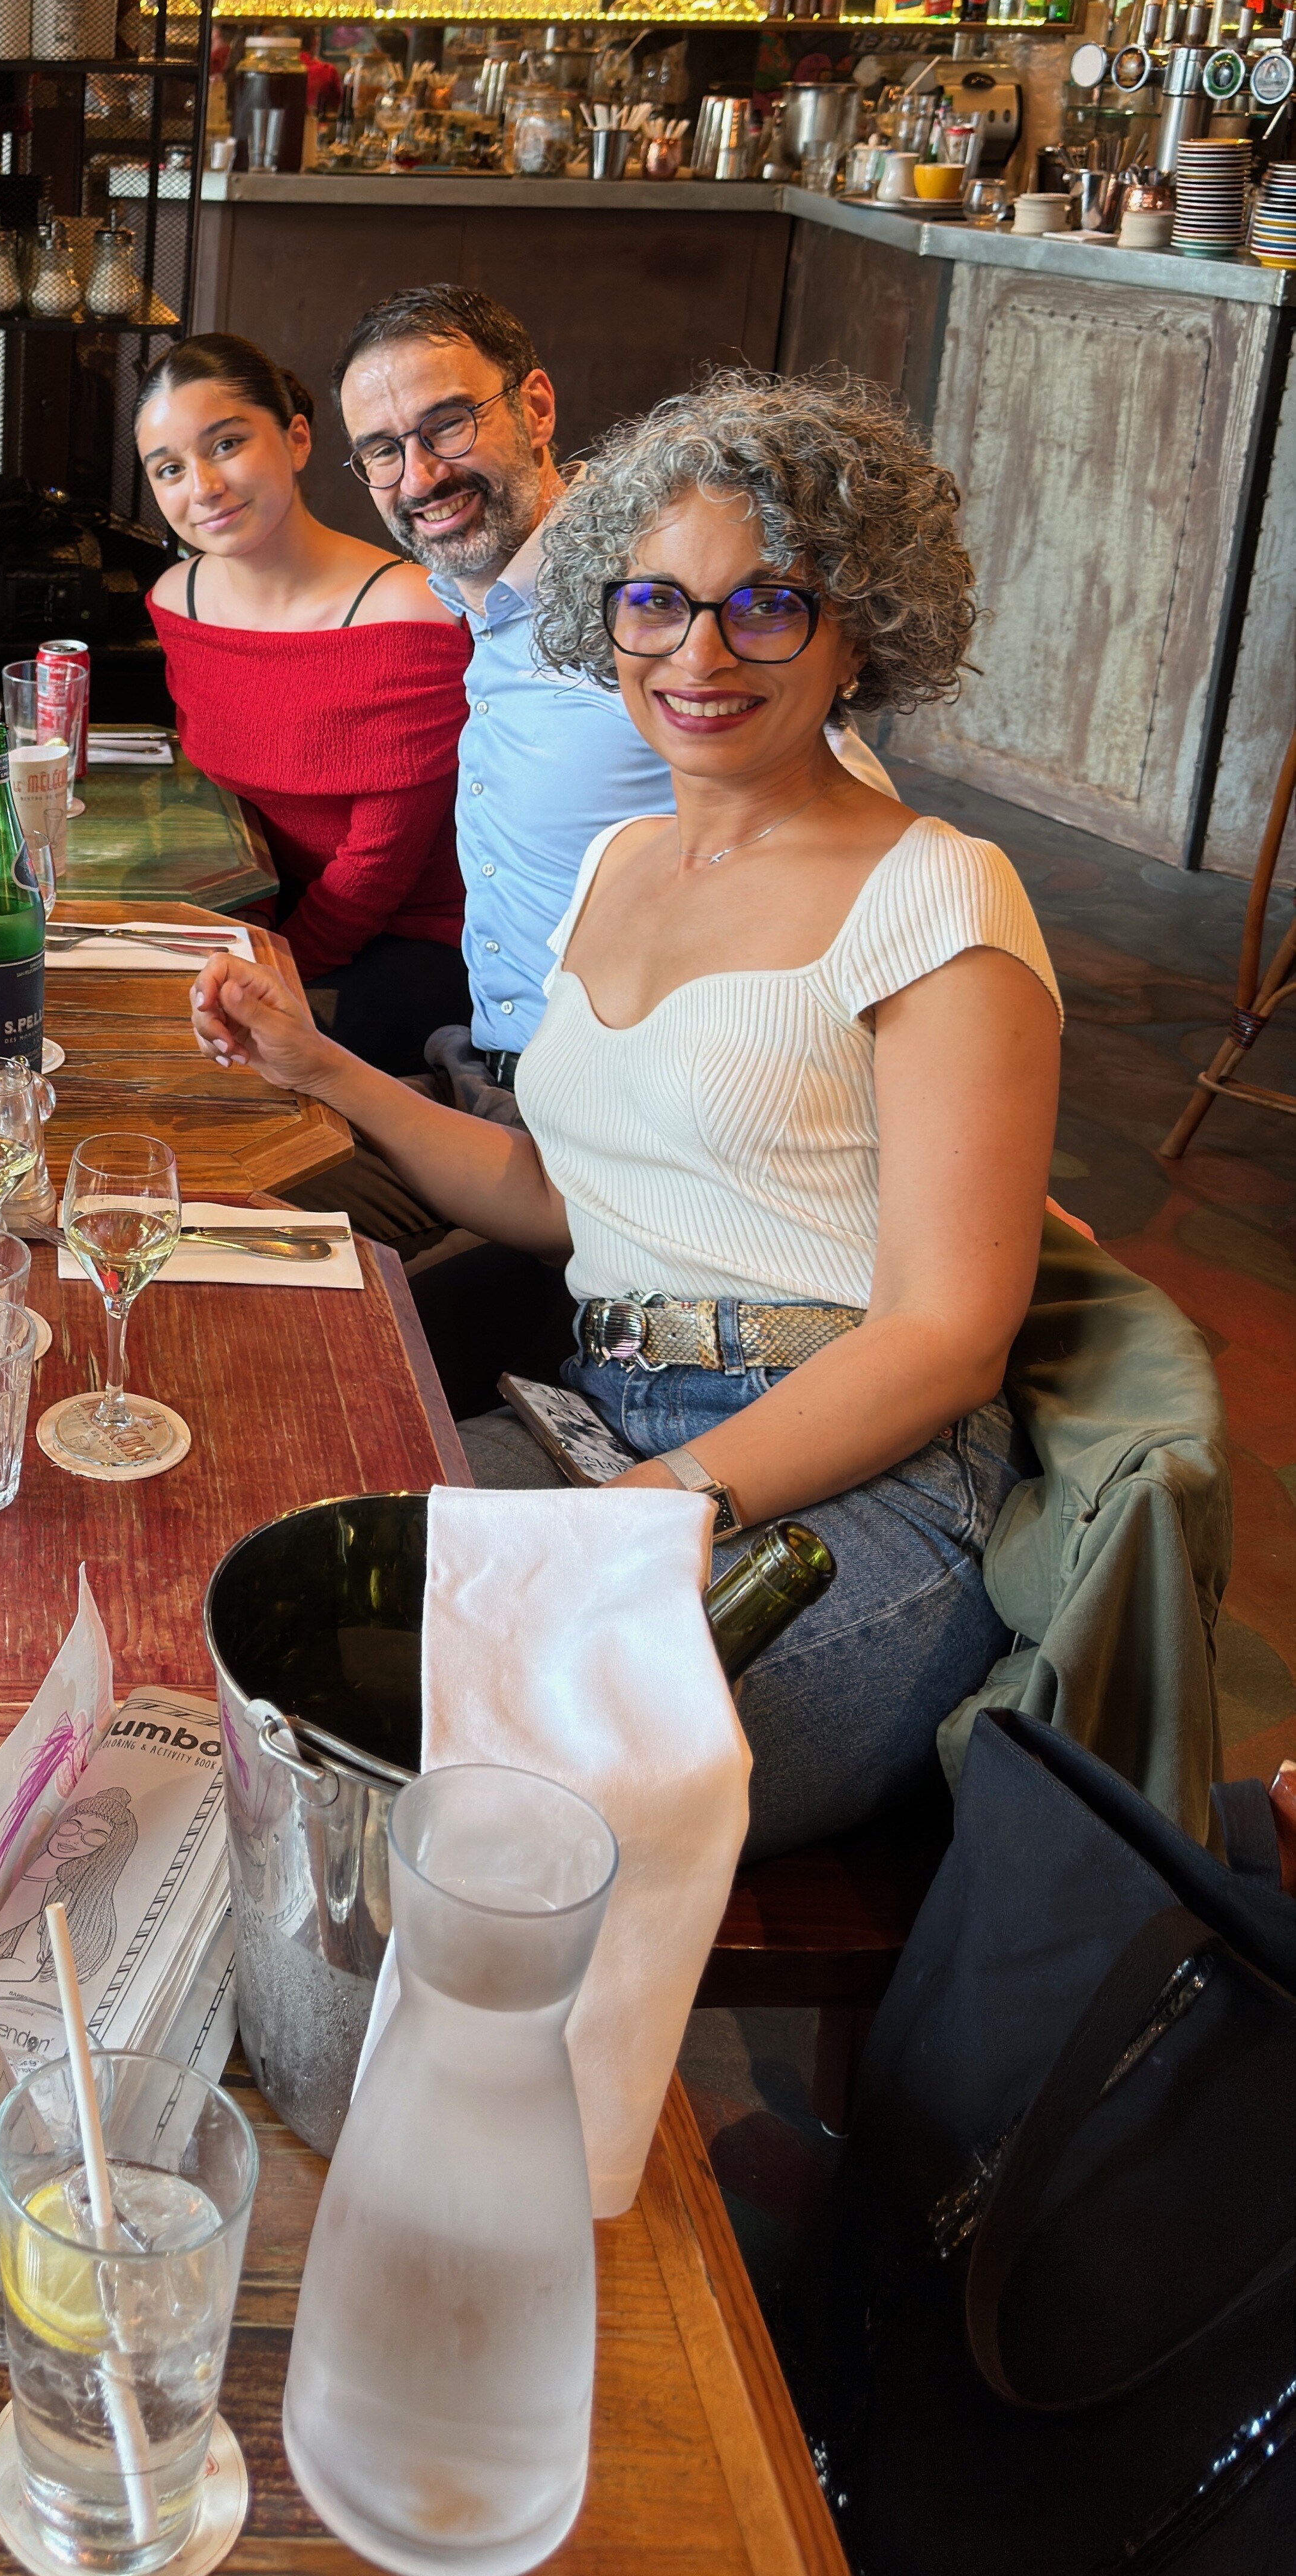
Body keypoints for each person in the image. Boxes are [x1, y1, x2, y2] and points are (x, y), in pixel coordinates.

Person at [191, 370, 1064, 1859]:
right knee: (268, 1648)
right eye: (652, 603)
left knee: (486, 1811)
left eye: (765, 604)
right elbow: (560, 1197)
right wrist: (323, 1072)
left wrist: (667, 1500)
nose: (697, 652)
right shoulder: (616, 865)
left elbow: (944, 1334)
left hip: (851, 1491)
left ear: (860, 624)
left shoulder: (938, 893)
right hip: (597, 1420)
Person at [334, 283, 891, 1365]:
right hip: (506, 1089)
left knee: (312, 1318)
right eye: (384, 452)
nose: (422, 475)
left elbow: (853, 828)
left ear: (536, 406)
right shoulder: (481, 594)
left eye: (450, 422)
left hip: (644, 1148)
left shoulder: (650, 595)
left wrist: (926, 1122)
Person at [137, 334, 468, 1072]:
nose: (203, 486)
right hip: (264, 922)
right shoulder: (175, 601)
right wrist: (242, 934)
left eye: (226, 444)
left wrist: (274, 963)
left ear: (296, 437)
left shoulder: (409, 614)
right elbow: (227, 805)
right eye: (170, 469)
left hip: (406, 942)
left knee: (196, 1066)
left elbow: (379, 868)